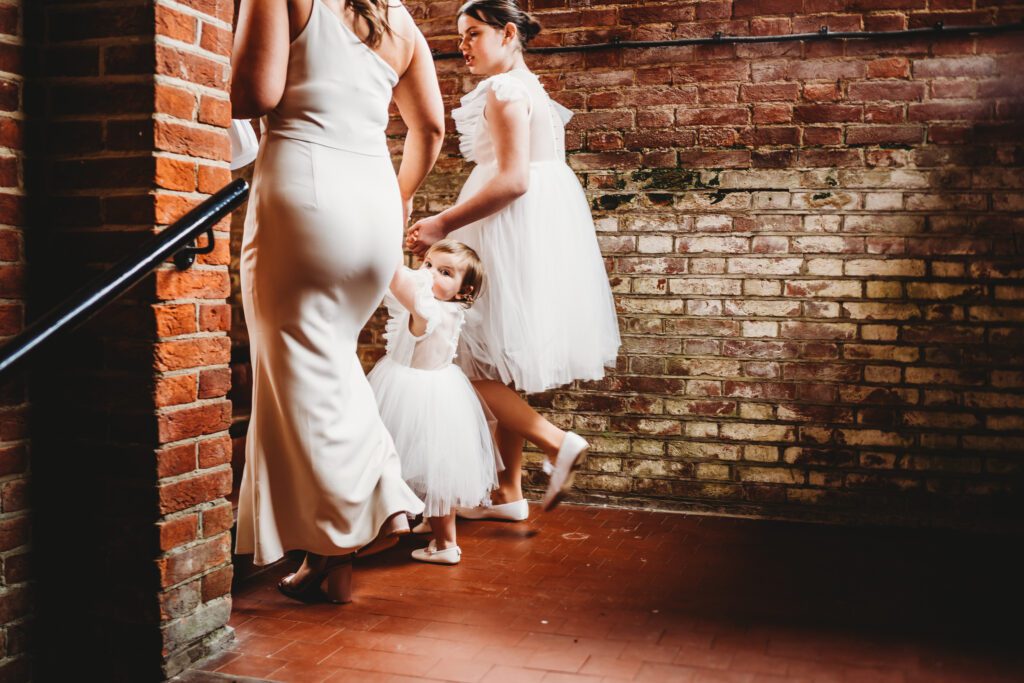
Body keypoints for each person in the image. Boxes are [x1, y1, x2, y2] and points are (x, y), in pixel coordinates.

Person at [231, 0, 445, 603]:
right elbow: (429, 129)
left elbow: (253, 94)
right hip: (373, 196)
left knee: (300, 369)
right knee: (324, 366)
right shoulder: (400, 20)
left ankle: (380, 504)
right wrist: (394, 199)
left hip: (304, 187)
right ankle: (327, 560)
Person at [406, 0, 621, 519]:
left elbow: (514, 179)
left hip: (506, 227)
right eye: (459, 37)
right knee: (496, 360)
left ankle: (556, 441)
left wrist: (441, 225)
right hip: (530, 229)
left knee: (471, 360)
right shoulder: (531, 89)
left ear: (507, 34)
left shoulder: (503, 91)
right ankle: (508, 493)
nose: (463, 47)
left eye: (473, 33)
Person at [367, 240, 499, 565]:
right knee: (435, 465)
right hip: (442, 389)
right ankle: (431, 522)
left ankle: (445, 545)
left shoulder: (425, 308)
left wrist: (386, 228)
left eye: (444, 272)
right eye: (427, 265)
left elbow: (395, 276)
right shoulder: (450, 308)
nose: (429, 275)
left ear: (462, 289)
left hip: (411, 392)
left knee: (429, 468)